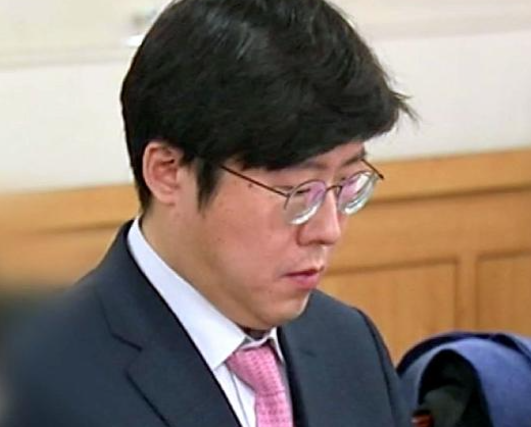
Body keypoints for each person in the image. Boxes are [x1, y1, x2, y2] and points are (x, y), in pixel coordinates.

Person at [1, 0, 412, 425]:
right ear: (168, 172)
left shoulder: (349, 343)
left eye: (346, 184)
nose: (328, 229)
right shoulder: (45, 383)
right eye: (295, 191)